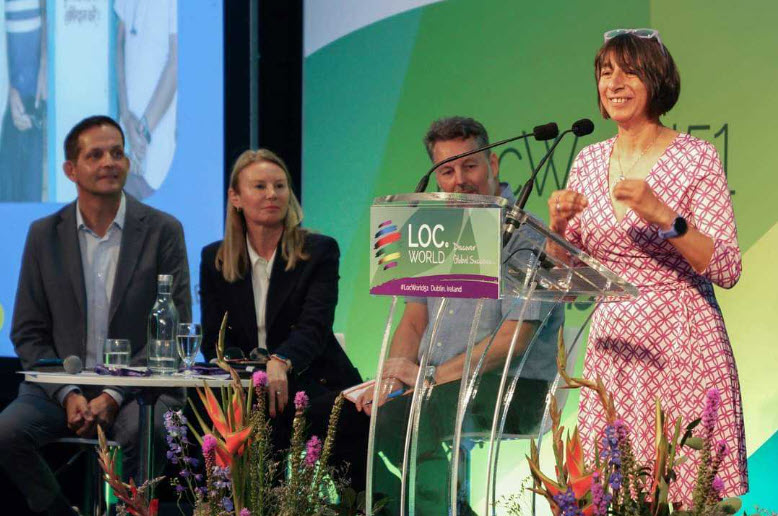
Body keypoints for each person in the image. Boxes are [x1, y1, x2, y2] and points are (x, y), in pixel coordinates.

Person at [548, 29, 747, 504]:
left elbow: (726, 267)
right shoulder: (588, 160)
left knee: (690, 494)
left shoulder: (696, 157)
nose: (613, 83)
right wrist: (556, 225)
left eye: (628, 71)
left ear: (656, 80)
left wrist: (664, 216)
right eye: (604, 72)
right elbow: (567, 277)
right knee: (615, 495)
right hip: (612, 351)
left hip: (681, 345)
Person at [356, 116, 563, 515]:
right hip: (436, 386)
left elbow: (514, 339)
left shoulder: (525, 236)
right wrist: (395, 373)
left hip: (510, 388)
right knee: (359, 418)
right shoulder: (435, 229)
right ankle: (445, 507)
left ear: (494, 164)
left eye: (470, 165)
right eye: (447, 171)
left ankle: (442, 507)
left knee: (404, 422)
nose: (460, 180)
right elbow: (414, 319)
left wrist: (431, 378)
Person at [0, 115, 191, 515]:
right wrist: (68, 393)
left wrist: (113, 393)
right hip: (58, 391)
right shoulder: (43, 234)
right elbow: (27, 331)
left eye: (117, 153)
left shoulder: (163, 230)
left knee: (151, 431)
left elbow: (170, 335)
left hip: (141, 391)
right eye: (96, 154)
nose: (109, 162)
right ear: (71, 170)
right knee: (6, 433)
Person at [199, 148, 365, 487]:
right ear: (236, 197)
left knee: (343, 431)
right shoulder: (215, 257)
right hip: (246, 387)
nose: (272, 194)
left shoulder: (318, 250)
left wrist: (281, 360)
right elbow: (215, 337)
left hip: (313, 380)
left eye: (280, 185)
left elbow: (315, 327)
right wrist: (238, 369)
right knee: (204, 422)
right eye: (259, 186)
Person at [115, 0, 178, 198]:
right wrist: (125, 116)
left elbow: (176, 63)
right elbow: (119, 45)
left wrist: (143, 133)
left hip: (157, 147)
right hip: (127, 140)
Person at [0, 0, 46, 201]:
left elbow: (48, 15)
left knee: (31, 192)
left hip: (34, 100)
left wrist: (45, 65)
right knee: (8, 193)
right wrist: (7, 89)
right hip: (5, 102)